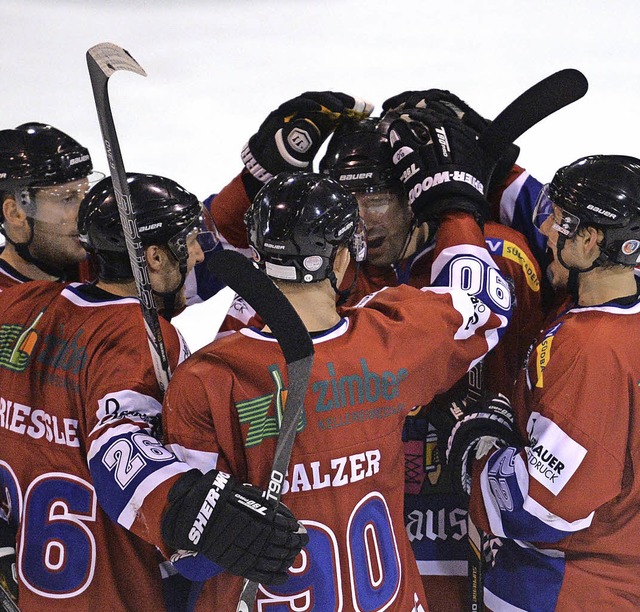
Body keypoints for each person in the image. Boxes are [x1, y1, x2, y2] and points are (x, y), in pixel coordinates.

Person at [161, 106, 514, 610]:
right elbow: (485, 301)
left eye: (378, 196)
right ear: (344, 255)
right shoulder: (392, 335)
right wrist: (456, 203)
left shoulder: (207, 374)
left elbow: (190, 552)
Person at [0, 172, 307, 610]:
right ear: (156, 258)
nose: (199, 254)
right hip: (107, 590)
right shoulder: (144, 338)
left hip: (28, 581)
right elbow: (118, 440)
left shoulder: (16, 304)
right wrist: (200, 513)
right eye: (189, 241)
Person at [436, 154, 640, 610]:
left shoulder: (593, 352)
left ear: (590, 240)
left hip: (574, 589)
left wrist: (481, 450)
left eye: (562, 220)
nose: (547, 229)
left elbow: (540, 507)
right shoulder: (614, 317)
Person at [0, 122, 101, 289]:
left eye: (86, 193)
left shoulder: (104, 268)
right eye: (68, 199)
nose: (86, 212)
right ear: (15, 213)